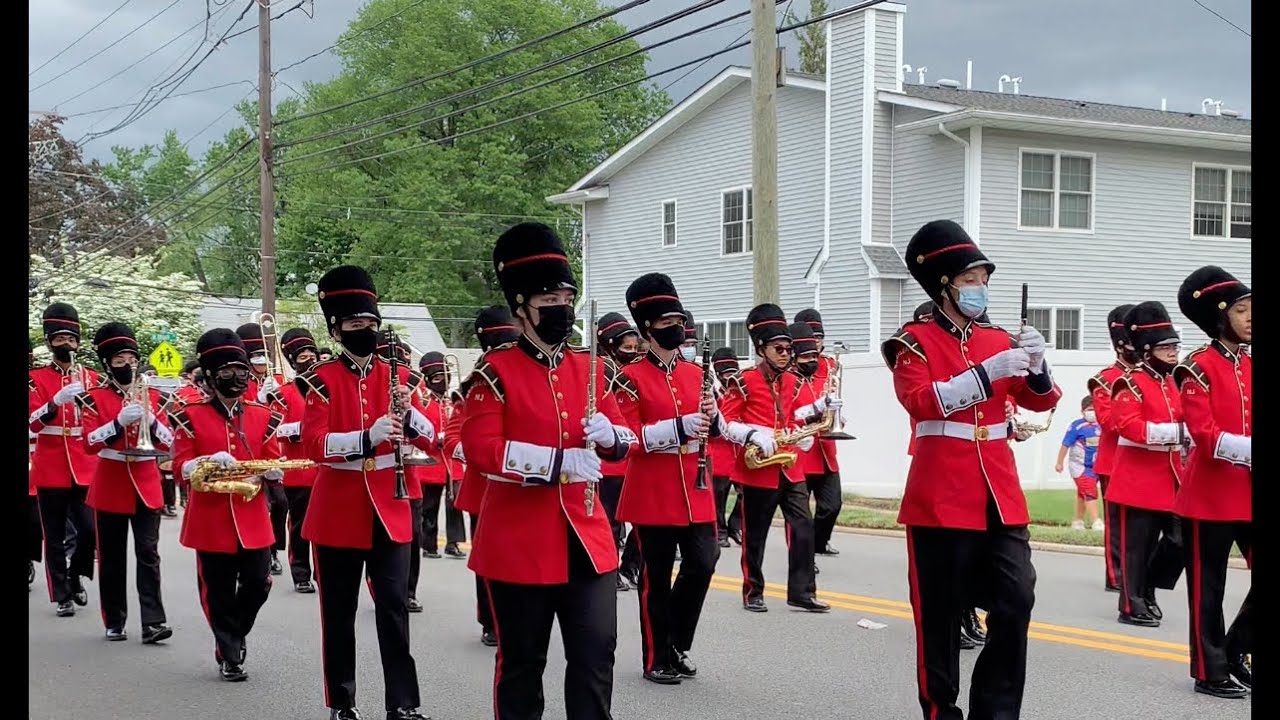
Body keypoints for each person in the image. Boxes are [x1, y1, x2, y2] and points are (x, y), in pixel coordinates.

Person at [883, 219, 1061, 719]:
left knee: (1017, 598)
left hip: (999, 492)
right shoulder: (911, 342)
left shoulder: (997, 337)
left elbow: (1039, 397)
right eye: (970, 280)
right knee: (938, 618)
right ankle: (941, 712)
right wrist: (986, 374)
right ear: (944, 285)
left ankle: (996, 712)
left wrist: (1037, 363)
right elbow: (920, 402)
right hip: (940, 493)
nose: (980, 289)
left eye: (984, 280)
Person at [460, 222, 636, 720]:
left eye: (567, 295)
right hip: (520, 542)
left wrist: (611, 437)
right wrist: (557, 463)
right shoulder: (494, 372)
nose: (562, 305)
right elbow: (482, 450)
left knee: (595, 655)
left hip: (588, 537)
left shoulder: (593, 366)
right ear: (521, 307)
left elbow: (623, 438)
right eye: (549, 298)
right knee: (522, 664)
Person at [297, 265, 435, 720]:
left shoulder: (398, 376)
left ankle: (403, 703)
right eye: (356, 325)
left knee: (393, 610)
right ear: (336, 329)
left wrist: (408, 418)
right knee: (338, 614)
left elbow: (430, 436)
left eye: (371, 324)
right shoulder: (319, 380)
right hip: (338, 511)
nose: (366, 332)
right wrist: (365, 435)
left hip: (390, 508)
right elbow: (316, 445)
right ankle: (342, 701)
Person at [614, 273, 720, 685]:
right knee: (655, 578)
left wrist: (721, 424)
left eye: (678, 318)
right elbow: (630, 438)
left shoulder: (697, 374)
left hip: (696, 489)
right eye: (666, 321)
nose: (676, 326)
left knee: (703, 563)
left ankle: (676, 641)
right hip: (653, 490)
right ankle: (657, 656)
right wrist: (678, 427)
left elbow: (714, 426)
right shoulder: (630, 377)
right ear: (647, 328)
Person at [170, 329, 284, 682]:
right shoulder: (188, 414)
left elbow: (272, 456)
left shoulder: (263, 414)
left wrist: (273, 470)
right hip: (211, 517)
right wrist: (205, 461)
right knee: (217, 590)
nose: (235, 377)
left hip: (252, 516)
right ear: (209, 375)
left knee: (259, 582)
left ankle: (235, 632)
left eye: (240, 369)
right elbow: (179, 468)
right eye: (225, 370)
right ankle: (229, 652)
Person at [719, 303, 833, 614]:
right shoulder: (742, 380)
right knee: (755, 534)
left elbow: (794, 416)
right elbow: (725, 423)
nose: (786, 354)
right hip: (758, 467)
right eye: (779, 348)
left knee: (803, 527)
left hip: (789, 464)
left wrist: (803, 431)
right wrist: (754, 435)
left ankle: (802, 592)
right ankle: (753, 590)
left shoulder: (793, 380)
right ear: (761, 348)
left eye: (788, 349)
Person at [1172, 266, 1252, 698]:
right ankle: (1210, 670)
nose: (1251, 316)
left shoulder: (1251, 364)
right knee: (1208, 591)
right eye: (1242, 310)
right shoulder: (1196, 369)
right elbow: (1204, 435)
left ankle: (1235, 648)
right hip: (1209, 496)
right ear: (1219, 316)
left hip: (1249, 493)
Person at [80, 321, 174, 644]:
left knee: (148, 553)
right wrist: (117, 423)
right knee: (112, 556)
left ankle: (153, 621)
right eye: (119, 361)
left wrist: (150, 419)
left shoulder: (155, 396)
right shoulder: (93, 398)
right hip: (111, 483)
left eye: (131, 360)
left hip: (147, 481)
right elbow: (89, 443)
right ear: (108, 364)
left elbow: (170, 442)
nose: (127, 366)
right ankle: (115, 618)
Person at [446, 305, 521, 648]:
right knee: (489, 559)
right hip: (485, 484)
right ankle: (490, 619)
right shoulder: (477, 382)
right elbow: (452, 438)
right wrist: (477, 453)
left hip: (525, 483)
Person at [1107, 301, 1185, 629]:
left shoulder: (1171, 382)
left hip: (1170, 477)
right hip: (1137, 479)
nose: (1173, 353)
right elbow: (1130, 428)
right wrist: (1180, 432)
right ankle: (1131, 603)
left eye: (1174, 346)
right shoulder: (1130, 382)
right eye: (1166, 348)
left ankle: (1149, 587)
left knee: (1181, 540)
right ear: (1148, 350)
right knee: (1135, 548)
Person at [28, 302, 99, 617]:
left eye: (71, 339)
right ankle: (62, 595)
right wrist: (54, 403)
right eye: (58, 340)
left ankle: (75, 575)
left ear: (78, 341)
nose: (66, 345)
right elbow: (32, 422)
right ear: (48, 342)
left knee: (89, 530)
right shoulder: (35, 378)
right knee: (53, 535)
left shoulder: (93, 378)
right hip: (51, 464)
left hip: (85, 463)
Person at [1089, 304, 1138, 593]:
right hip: (1114, 461)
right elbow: (1109, 422)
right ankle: (1116, 573)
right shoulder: (1105, 378)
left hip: (1145, 463)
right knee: (1118, 525)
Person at [791, 309, 846, 557]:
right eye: (811, 339)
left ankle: (818, 544)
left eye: (819, 338)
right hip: (801, 450)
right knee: (800, 514)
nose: (816, 344)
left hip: (825, 448)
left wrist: (837, 417)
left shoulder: (831, 366)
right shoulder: (789, 371)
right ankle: (803, 557)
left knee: (832, 505)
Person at [236, 323, 289, 576]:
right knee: (256, 503)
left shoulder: (277, 379)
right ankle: (255, 552)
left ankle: (274, 550)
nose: (260, 359)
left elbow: (287, 413)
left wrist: (277, 397)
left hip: (274, 448)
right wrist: (258, 401)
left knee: (279, 502)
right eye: (255, 354)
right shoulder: (240, 379)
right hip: (247, 449)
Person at [595, 312, 641, 591]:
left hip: (636, 454)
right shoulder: (598, 370)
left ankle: (631, 566)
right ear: (609, 344)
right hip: (609, 460)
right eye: (627, 348)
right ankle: (609, 571)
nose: (632, 353)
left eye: (635, 348)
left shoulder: (637, 370)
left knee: (642, 521)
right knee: (610, 522)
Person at [278, 327, 321, 593]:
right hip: (298, 470)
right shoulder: (283, 392)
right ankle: (301, 571)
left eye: (311, 353)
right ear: (293, 361)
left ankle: (323, 571)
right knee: (301, 524)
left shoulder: (328, 388)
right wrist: (302, 428)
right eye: (302, 356)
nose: (309, 359)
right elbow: (276, 430)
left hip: (325, 468)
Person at [416, 351, 467, 562]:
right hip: (432, 460)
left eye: (445, 376)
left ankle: (453, 542)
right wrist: (435, 438)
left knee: (455, 502)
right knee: (430, 505)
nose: (443, 382)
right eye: (437, 378)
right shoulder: (423, 402)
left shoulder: (451, 402)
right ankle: (429, 544)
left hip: (451, 460)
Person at [708, 347, 741, 548]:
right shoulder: (714, 392)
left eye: (733, 372)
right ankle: (719, 530)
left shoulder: (740, 388)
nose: (730, 377)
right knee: (719, 497)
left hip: (738, 452)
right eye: (726, 373)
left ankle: (735, 526)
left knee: (745, 495)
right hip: (720, 452)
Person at [1056, 397, 1102, 530]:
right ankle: (1096, 521)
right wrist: (1059, 462)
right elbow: (1065, 445)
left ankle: (1078, 521)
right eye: (1089, 410)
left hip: (1096, 466)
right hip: (1080, 466)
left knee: (1082, 493)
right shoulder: (1076, 426)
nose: (1092, 412)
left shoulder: (1102, 425)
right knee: (1090, 491)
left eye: (1095, 409)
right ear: (1082, 412)